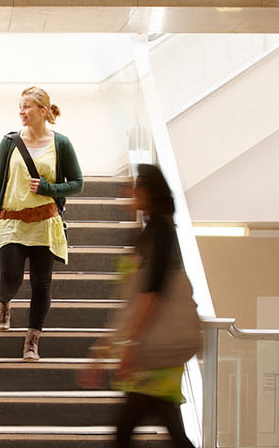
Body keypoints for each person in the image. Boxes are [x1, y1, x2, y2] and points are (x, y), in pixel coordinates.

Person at [78, 164, 198, 448]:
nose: (128, 192)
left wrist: (130, 344)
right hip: (151, 350)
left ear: (148, 191)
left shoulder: (161, 233)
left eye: (135, 186)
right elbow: (132, 300)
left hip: (153, 349)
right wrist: (103, 352)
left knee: (124, 433)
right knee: (169, 430)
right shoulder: (148, 234)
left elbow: (151, 294)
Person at [0, 86, 83, 361]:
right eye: (20, 106)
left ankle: (32, 341)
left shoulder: (61, 143)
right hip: (12, 221)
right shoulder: (9, 142)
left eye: (26, 106)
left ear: (42, 110)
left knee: (42, 285)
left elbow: (78, 183)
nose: (21, 111)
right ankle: (4, 302)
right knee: (11, 277)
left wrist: (49, 188)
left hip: (45, 223)